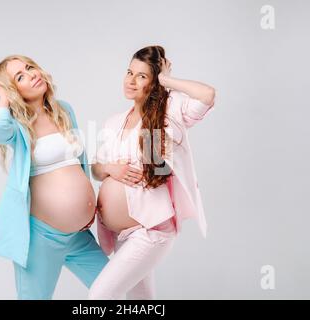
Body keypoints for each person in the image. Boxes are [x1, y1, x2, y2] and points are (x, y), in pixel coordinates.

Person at [89, 45, 216, 299]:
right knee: (140, 302)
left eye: (142, 76)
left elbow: (207, 95)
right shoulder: (114, 122)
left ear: (155, 81)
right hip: (121, 233)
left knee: (99, 297)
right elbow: (96, 168)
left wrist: (167, 80)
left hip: (149, 230)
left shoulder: (169, 113)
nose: (131, 81)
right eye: (129, 72)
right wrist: (110, 168)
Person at [0, 54, 108, 299]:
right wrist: (2, 97)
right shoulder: (15, 124)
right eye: (20, 76)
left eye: (30, 67)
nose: (31, 74)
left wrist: (86, 204)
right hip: (42, 238)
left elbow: (77, 162)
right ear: (12, 90)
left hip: (78, 235)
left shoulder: (63, 110)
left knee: (112, 289)